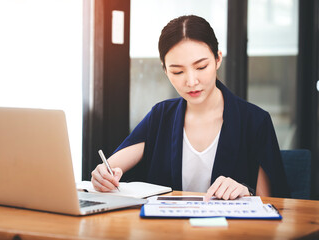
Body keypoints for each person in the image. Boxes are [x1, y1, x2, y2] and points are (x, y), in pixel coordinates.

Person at [91, 15, 290, 200]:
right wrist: (102, 175)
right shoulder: (161, 116)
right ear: (165, 70)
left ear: (218, 59)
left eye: (201, 67)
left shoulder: (255, 121)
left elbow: (271, 204)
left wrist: (246, 192)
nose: (191, 81)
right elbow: (110, 168)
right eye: (177, 72)